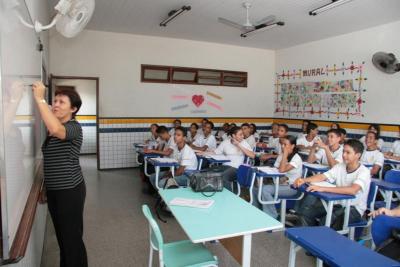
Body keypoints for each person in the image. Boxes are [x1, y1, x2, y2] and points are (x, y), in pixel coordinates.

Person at [33, 81, 88, 267]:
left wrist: (39, 98)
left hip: (70, 191)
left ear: (73, 109)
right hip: (57, 191)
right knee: (63, 240)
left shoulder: (73, 127)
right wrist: (46, 187)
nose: (56, 104)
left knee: (71, 240)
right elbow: (52, 161)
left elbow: (57, 130)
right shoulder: (54, 128)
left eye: (61, 102)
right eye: (54, 100)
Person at [293, 139, 371, 230]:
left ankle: (320, 240)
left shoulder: (364, 172)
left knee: (325, 222)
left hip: (353, 209)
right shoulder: (340, 166)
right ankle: (309, 235)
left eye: (348, 152)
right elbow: (323, 176)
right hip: (337, 204)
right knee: (306, 212)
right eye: (343, 151)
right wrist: (303, 180)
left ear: (358, 155)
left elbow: (353, 190)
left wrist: (322, 188)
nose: (344, 155)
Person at [252, 135, 302, 219]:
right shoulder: (282, 155)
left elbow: (281, 170)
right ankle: (258, 211)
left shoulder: (296, 158)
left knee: (265, 190)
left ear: (292, 146)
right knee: (255, 190)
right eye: (282, 144)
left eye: (285, 145)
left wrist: (285, 154)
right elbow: (276, 168)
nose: (282, 146)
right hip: (281, 183)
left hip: (292, 187)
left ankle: (272, 216)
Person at [210, 126, 255, 191]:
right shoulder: (226, 142)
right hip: (225, 166)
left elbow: (252, 155)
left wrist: (238, 145)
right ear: (233, 135)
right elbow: (216, 152)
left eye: (242, 134)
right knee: (209, 173)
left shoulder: (244, 142)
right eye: (240, 134)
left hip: (236, 168)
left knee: (223, 177)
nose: (243, 136)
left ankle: (229, 197)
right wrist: (203, 153)